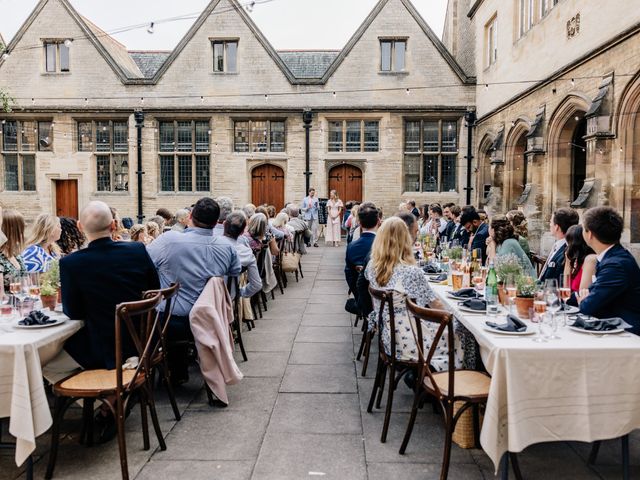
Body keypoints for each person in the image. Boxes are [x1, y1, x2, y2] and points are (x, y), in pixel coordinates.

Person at [147, 197, 241, 383]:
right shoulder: (227, 247)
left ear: (190, 216)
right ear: (217, 222)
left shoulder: (169, 240)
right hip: (212, 319)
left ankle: (166, 370)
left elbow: (146, 262)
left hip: (173, 323)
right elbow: (235, 270)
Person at [61, 201, 160, 370]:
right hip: (147, 340)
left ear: (79, 226)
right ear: (113, 225)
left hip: (105, 350)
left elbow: (73, 312)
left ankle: (100, 394)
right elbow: (154, 289)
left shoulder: (70, 263)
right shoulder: (137, 249)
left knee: (51, 354)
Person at [365, 217, 463, 371]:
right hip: (409, 341)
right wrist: (457, 316)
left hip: (388, 336)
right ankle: (437, 380)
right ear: (404, 239)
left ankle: (422, 377)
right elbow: (435, 305)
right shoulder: (410, 271)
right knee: (460, 332)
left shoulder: (371, 266)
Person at [577, 206, 640, 333]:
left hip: (627, 335)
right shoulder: (614, 256)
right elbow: (592, 292)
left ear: (589, 234)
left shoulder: (616, 264)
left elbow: (588, 306)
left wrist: (584, 300)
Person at [223, 212, 262, 299]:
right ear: (242, 232)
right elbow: (256, 284)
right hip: (228, 297)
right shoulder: (246, 252)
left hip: (202, 297)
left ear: (224, 224)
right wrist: (239, 292)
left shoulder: (209, 245)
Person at [345, 202, 379, 295]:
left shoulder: (351, 246)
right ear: (378, 221)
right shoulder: (382, 245)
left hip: (360, 296)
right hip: (381, 297)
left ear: (359, 222)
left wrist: (358, 296)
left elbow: (349, 275)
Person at [539, 207, 580, 282]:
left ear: (557, 227)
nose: (550, 225)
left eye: (551, 222)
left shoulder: (568, 250)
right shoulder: (558, 246)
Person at [563, 224, 596, 292]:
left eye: (569, 243)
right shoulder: (576, 261)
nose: (567, 248)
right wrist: (567, 263)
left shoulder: (589, 261)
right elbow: (565, 290)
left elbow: (582, 293)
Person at [0, 209, 27, 291]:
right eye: (22, 227)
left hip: (22, 301)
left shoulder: (16, 255)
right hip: (6, 302)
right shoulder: (1, 257)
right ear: (12, 229)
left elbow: (26, 284)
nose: (23, 230)